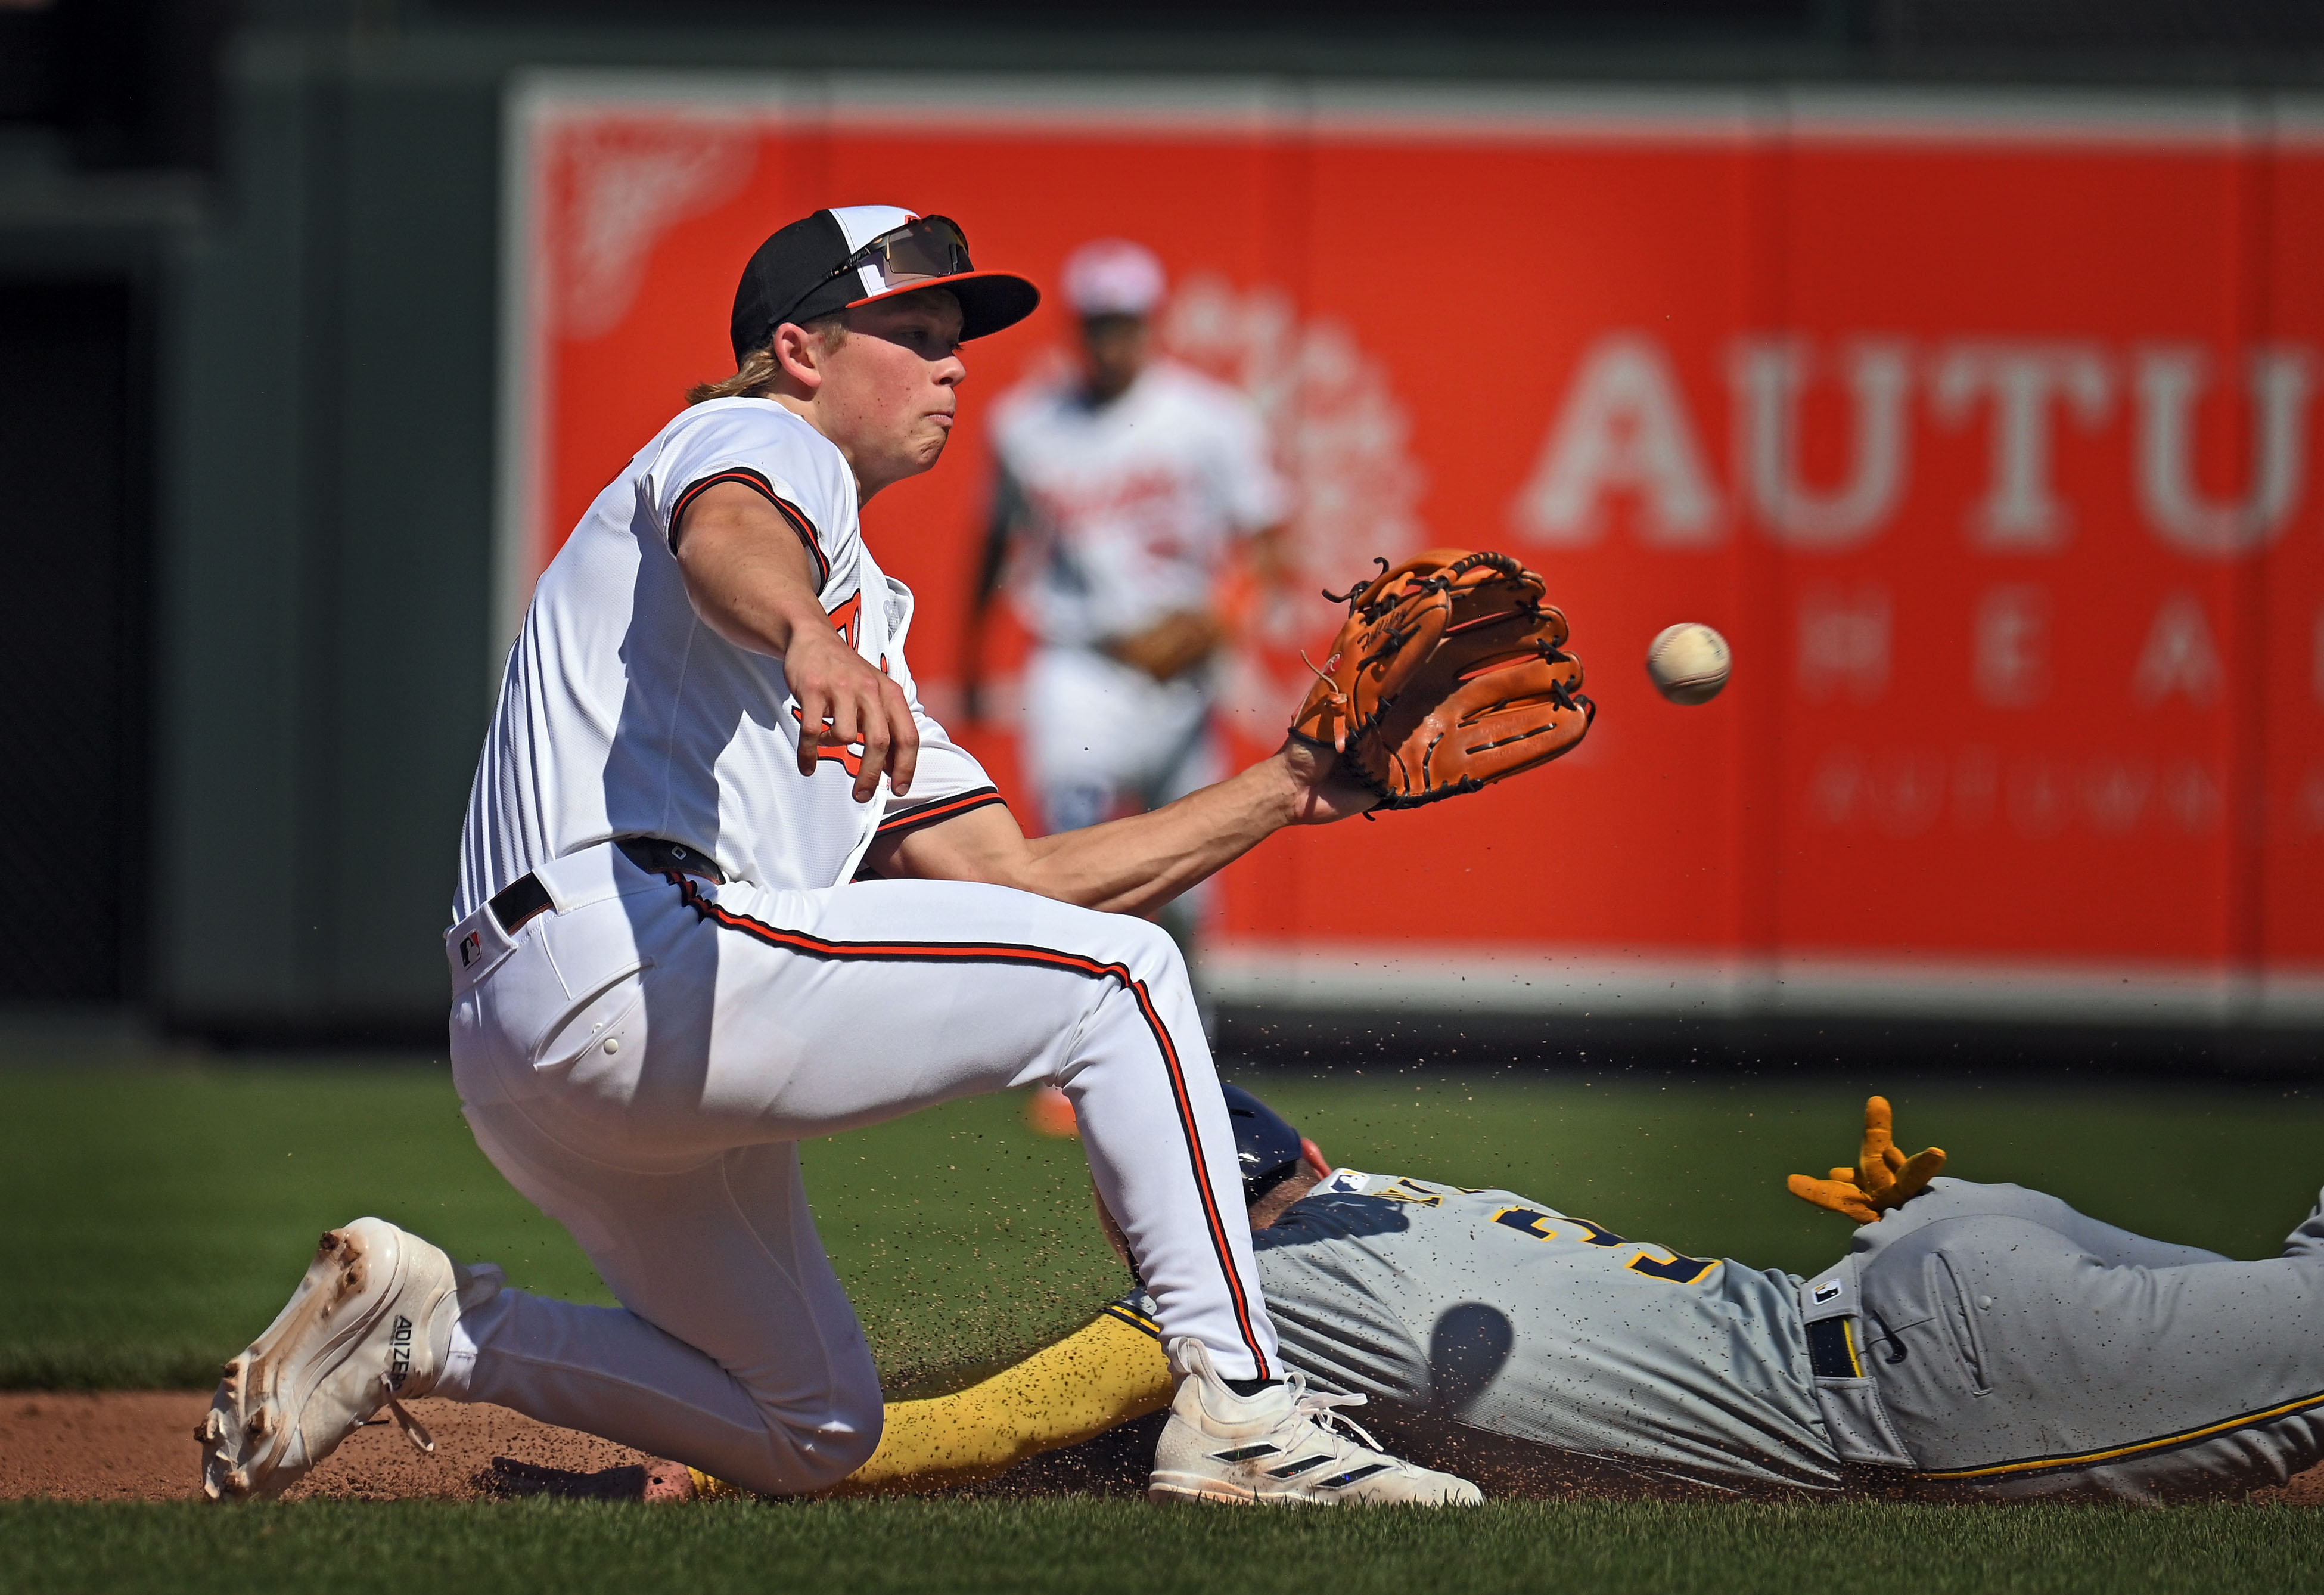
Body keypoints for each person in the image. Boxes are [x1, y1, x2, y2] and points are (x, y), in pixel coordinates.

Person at [195, 206, 1474, 1510]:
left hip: (545, 1047)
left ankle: (431, 1332)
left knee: (813, 1430)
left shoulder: (868, 627)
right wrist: (807, 636)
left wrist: (1292, 787)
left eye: (956, 342)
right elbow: (728, 534)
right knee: (1127, 980)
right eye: (914, 334)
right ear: (800, 351)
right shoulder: (754, 436)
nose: (954, 366)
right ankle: (1245, 1412)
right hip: (633, 952)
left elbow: (1014, 884)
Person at [658, 1090, 2324, 1505]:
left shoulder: (1233, 1305)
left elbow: (969, 1423)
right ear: (1303, 1147)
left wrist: (754, 1455)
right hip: (1923, 1256)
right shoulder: (1390, 1182)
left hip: (1922, 1383)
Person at [962, 238, 1290, 962]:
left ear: (1153, 321)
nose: (1115, 338)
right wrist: (973, 657)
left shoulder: (1210, 418)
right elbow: (994, 543)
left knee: (1185, 892)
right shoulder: (1027, 422)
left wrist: (1220, 621)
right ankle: (1064, 1062)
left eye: (1128, 321)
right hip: (1079, 659)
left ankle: (1188, 1040)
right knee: (1069, 861)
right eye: (1101, 322)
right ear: (1077, 327)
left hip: (1182, 670)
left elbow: (1267, 543)